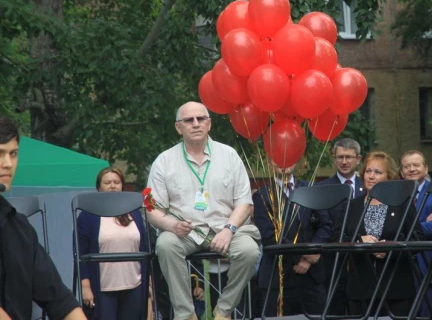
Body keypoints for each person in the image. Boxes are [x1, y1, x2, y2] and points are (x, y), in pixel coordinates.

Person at [147, 102, 260, 320]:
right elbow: (151, 208)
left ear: (209, 123)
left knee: (249, 251)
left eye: (201, 119)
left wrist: (228, 230)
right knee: (165, 244)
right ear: (178, 127)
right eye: (189, 120)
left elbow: (245, 203)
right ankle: (186, 314)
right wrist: (172, 225)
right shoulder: (163, 161)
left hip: (225, 228)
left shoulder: (230, 156)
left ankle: (224, 310)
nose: (196, 124)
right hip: (185, 232)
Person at [0, 116, 86, 320]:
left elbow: (59, 300)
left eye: (13, 154)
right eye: (0, 154)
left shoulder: (20, 229)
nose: (8, 163)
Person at [253, 160, 332, 316]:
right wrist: (303, 255)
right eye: (277, 156)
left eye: (288, 155)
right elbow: (269, 236)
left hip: (311, 277)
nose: (283, 160)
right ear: (269, 163)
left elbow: (325, 225)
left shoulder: (310, 189)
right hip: (277, 278)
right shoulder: (262, 196)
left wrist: (311, 255)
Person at [344, 151, 417, 316]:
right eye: (368, 171)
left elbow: (416, 238)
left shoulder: (402, 204)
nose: (371, 176)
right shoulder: (352, 206)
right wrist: (358, 240)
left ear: (389, 177)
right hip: (360, 289)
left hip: (396, 287)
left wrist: (390, 249)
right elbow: (337, 238)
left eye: (377, 172)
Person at [76, 167, 149, 320]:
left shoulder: (134, 213)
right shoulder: (87, 216)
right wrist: (85, 287)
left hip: (134, 285)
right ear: (98, 187)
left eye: (116, 182)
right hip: (102, 289)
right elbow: (80, 255)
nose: (112, 186)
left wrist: (149, 284)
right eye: (107, 182)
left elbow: (146, 250)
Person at [400, 150, 432, 318]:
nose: (411, 169)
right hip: (404, 270)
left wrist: (404, 229)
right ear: (401, 172)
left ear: (426, 168)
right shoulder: (397, 194)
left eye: (416, 165)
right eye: (407, 166)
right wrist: (421, 224)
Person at [315, 138, 365, 315]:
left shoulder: (367, 186)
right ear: (334, 158)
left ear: (358, 159)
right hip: (332, 260)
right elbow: (322, 224)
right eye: (340, 157)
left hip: (362, 260)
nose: (344, 162)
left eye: (349, 157)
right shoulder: (322, 188)